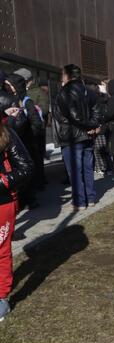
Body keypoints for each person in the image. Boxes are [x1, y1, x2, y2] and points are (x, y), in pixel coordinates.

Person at [0, 94, 33, 321]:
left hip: (2, 202)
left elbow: (26, 166)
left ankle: (1, 298)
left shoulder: (6, 134)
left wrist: (3, 181)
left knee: (0, 250)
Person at [54, 64, 100, 210]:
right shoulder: (89, 91)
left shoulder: (65, 92)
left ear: (67, 75)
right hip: (86, 136)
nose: (62, 77)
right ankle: (90, 198)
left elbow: (74, 117)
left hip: (72, 137)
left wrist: (90, 126)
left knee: (75, 170)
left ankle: (80, 201)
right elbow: (97, 112)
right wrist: (92, 126)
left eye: (62, 74)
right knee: (87, 168)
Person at [6, 73, 44, 208]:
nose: (6, 87)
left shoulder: (26, 101)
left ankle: (30, 199)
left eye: (9, 84)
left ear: (15, 86)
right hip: (13, 143)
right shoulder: (9, 99)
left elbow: (37, 124)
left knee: (26, 172)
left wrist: (28, 135)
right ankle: (22, 199)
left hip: (26, 142)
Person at [13, 68, 47, 191]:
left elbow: (43, 111)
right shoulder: (19, 94)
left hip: (35, 131)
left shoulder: (37, 93)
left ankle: (40, 181)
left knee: (36, 158)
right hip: (28, 131)